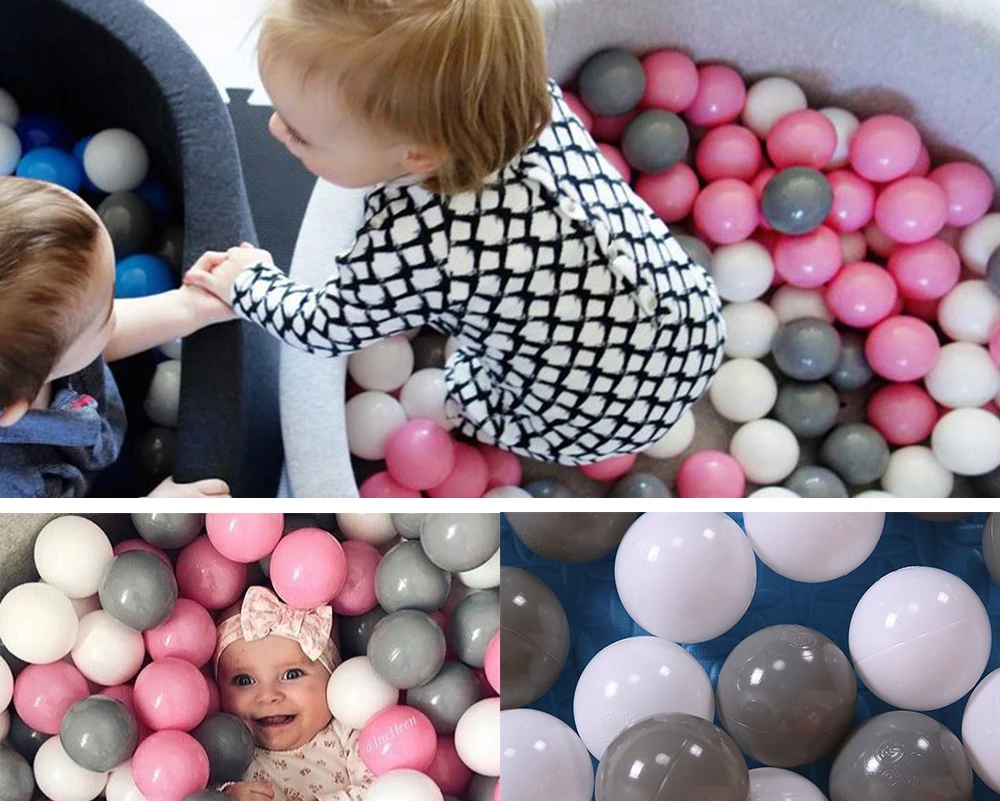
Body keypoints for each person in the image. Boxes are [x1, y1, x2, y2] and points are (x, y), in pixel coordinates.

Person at [184, 0, 725, 467]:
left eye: (301, 135)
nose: (274, 127)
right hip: (694, 323)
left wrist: (248, 283)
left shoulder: (411, 241)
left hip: (590, 420)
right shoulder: (534, 102)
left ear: (418, 154)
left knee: (463, 384)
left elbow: (323, 327)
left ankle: (481, 412)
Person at [0, 176, 232, 497]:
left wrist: (190, 307)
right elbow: (67, 521)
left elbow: (100, 339)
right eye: (107, 308)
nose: (115, 306)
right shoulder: (18, 486)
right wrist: (155, 506)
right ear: (13, 407)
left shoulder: (29, 356)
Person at [215, 584, 373, 801]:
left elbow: (384, 796)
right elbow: (191, 800)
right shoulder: (224, 750)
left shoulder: (348, 732)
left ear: (334, 678)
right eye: (244, 680)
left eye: (292, 674)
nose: (268, 696)